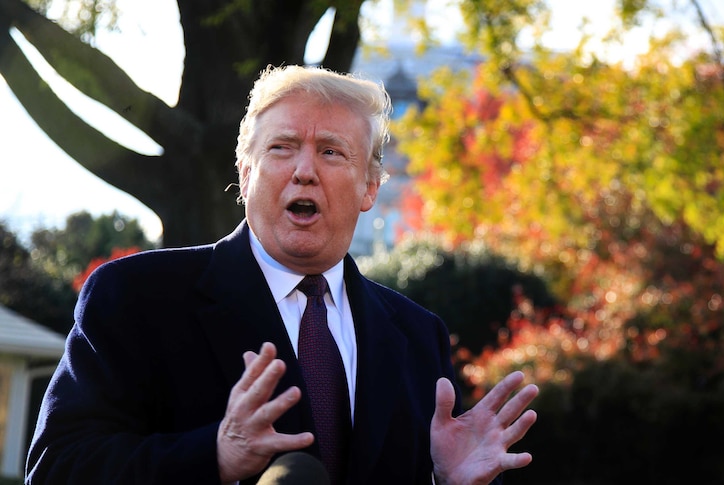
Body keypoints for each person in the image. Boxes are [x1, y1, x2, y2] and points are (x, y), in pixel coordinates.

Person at [26, 65, 538, 485]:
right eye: (282, 147)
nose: (304, 170)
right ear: (246, 176)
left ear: (369, 188)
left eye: (331, 152)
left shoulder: (417, 334)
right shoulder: (135, 297)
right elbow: (56, 469)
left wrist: (445, 483)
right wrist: (217, 456)